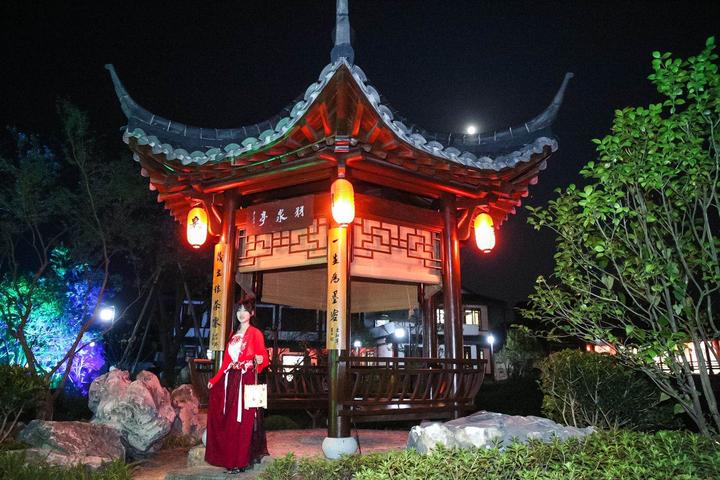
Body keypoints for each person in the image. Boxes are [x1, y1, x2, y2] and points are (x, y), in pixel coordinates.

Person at [205, 294, 269, 473]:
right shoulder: (233, 335)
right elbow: (226, 362)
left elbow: (264, 358)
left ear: (252, 313)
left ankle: (240, 461)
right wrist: (214, 380)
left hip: (246, 380)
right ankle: (230, 459)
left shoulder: (255, 333)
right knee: (230, 421)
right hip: (231, 381)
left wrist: (259, 360)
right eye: (239, 310)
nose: (242, 313)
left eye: (245, 310)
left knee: (244, 421)